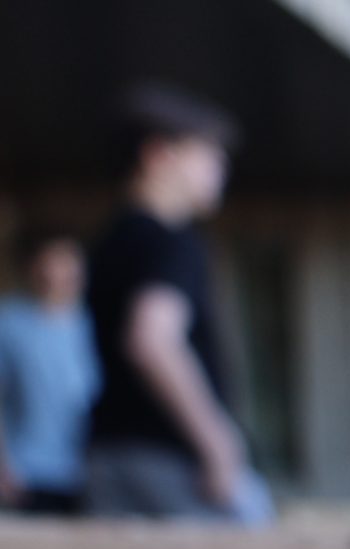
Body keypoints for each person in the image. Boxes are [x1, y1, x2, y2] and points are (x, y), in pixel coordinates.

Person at [83, 85, 256, 522]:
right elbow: (152, 341)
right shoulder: (174, 241)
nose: (220, 170)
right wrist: (216, 442)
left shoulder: (108, 241)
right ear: (159, 155)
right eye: (207, 156)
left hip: (106, 452)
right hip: (173, 460)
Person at [0, 229, 99, 516]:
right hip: (28, 470)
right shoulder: (10, 323)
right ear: (35, 267)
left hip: (89, 472)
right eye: (54, 261)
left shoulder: (95, 324)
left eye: (70, 261)